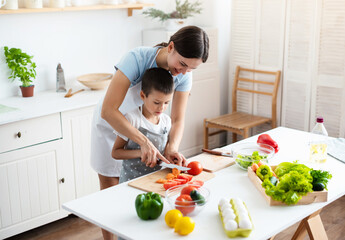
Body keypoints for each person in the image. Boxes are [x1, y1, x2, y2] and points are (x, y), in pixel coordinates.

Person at [90, 25, 209, 240]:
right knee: (110, 192)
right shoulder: (137, 58)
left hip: (144, 131)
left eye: (191, 69)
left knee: (134, 194)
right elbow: (109, 110)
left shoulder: (183, 75)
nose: (183, 73)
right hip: (110, 125)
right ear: (171, 46)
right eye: (182, 64)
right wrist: (143, 141)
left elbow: (178, 118)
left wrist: (172, 147)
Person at [112, 68, 173, 183]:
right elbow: (115, 152)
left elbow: (164, 152)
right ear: (143, 95)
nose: (161, 108)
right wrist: (141, 152)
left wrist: (172, 156)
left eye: (166, 103)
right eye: (156, 102)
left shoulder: (166, 121)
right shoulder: (132, 119)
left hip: (155, 182)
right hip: (131, 181)